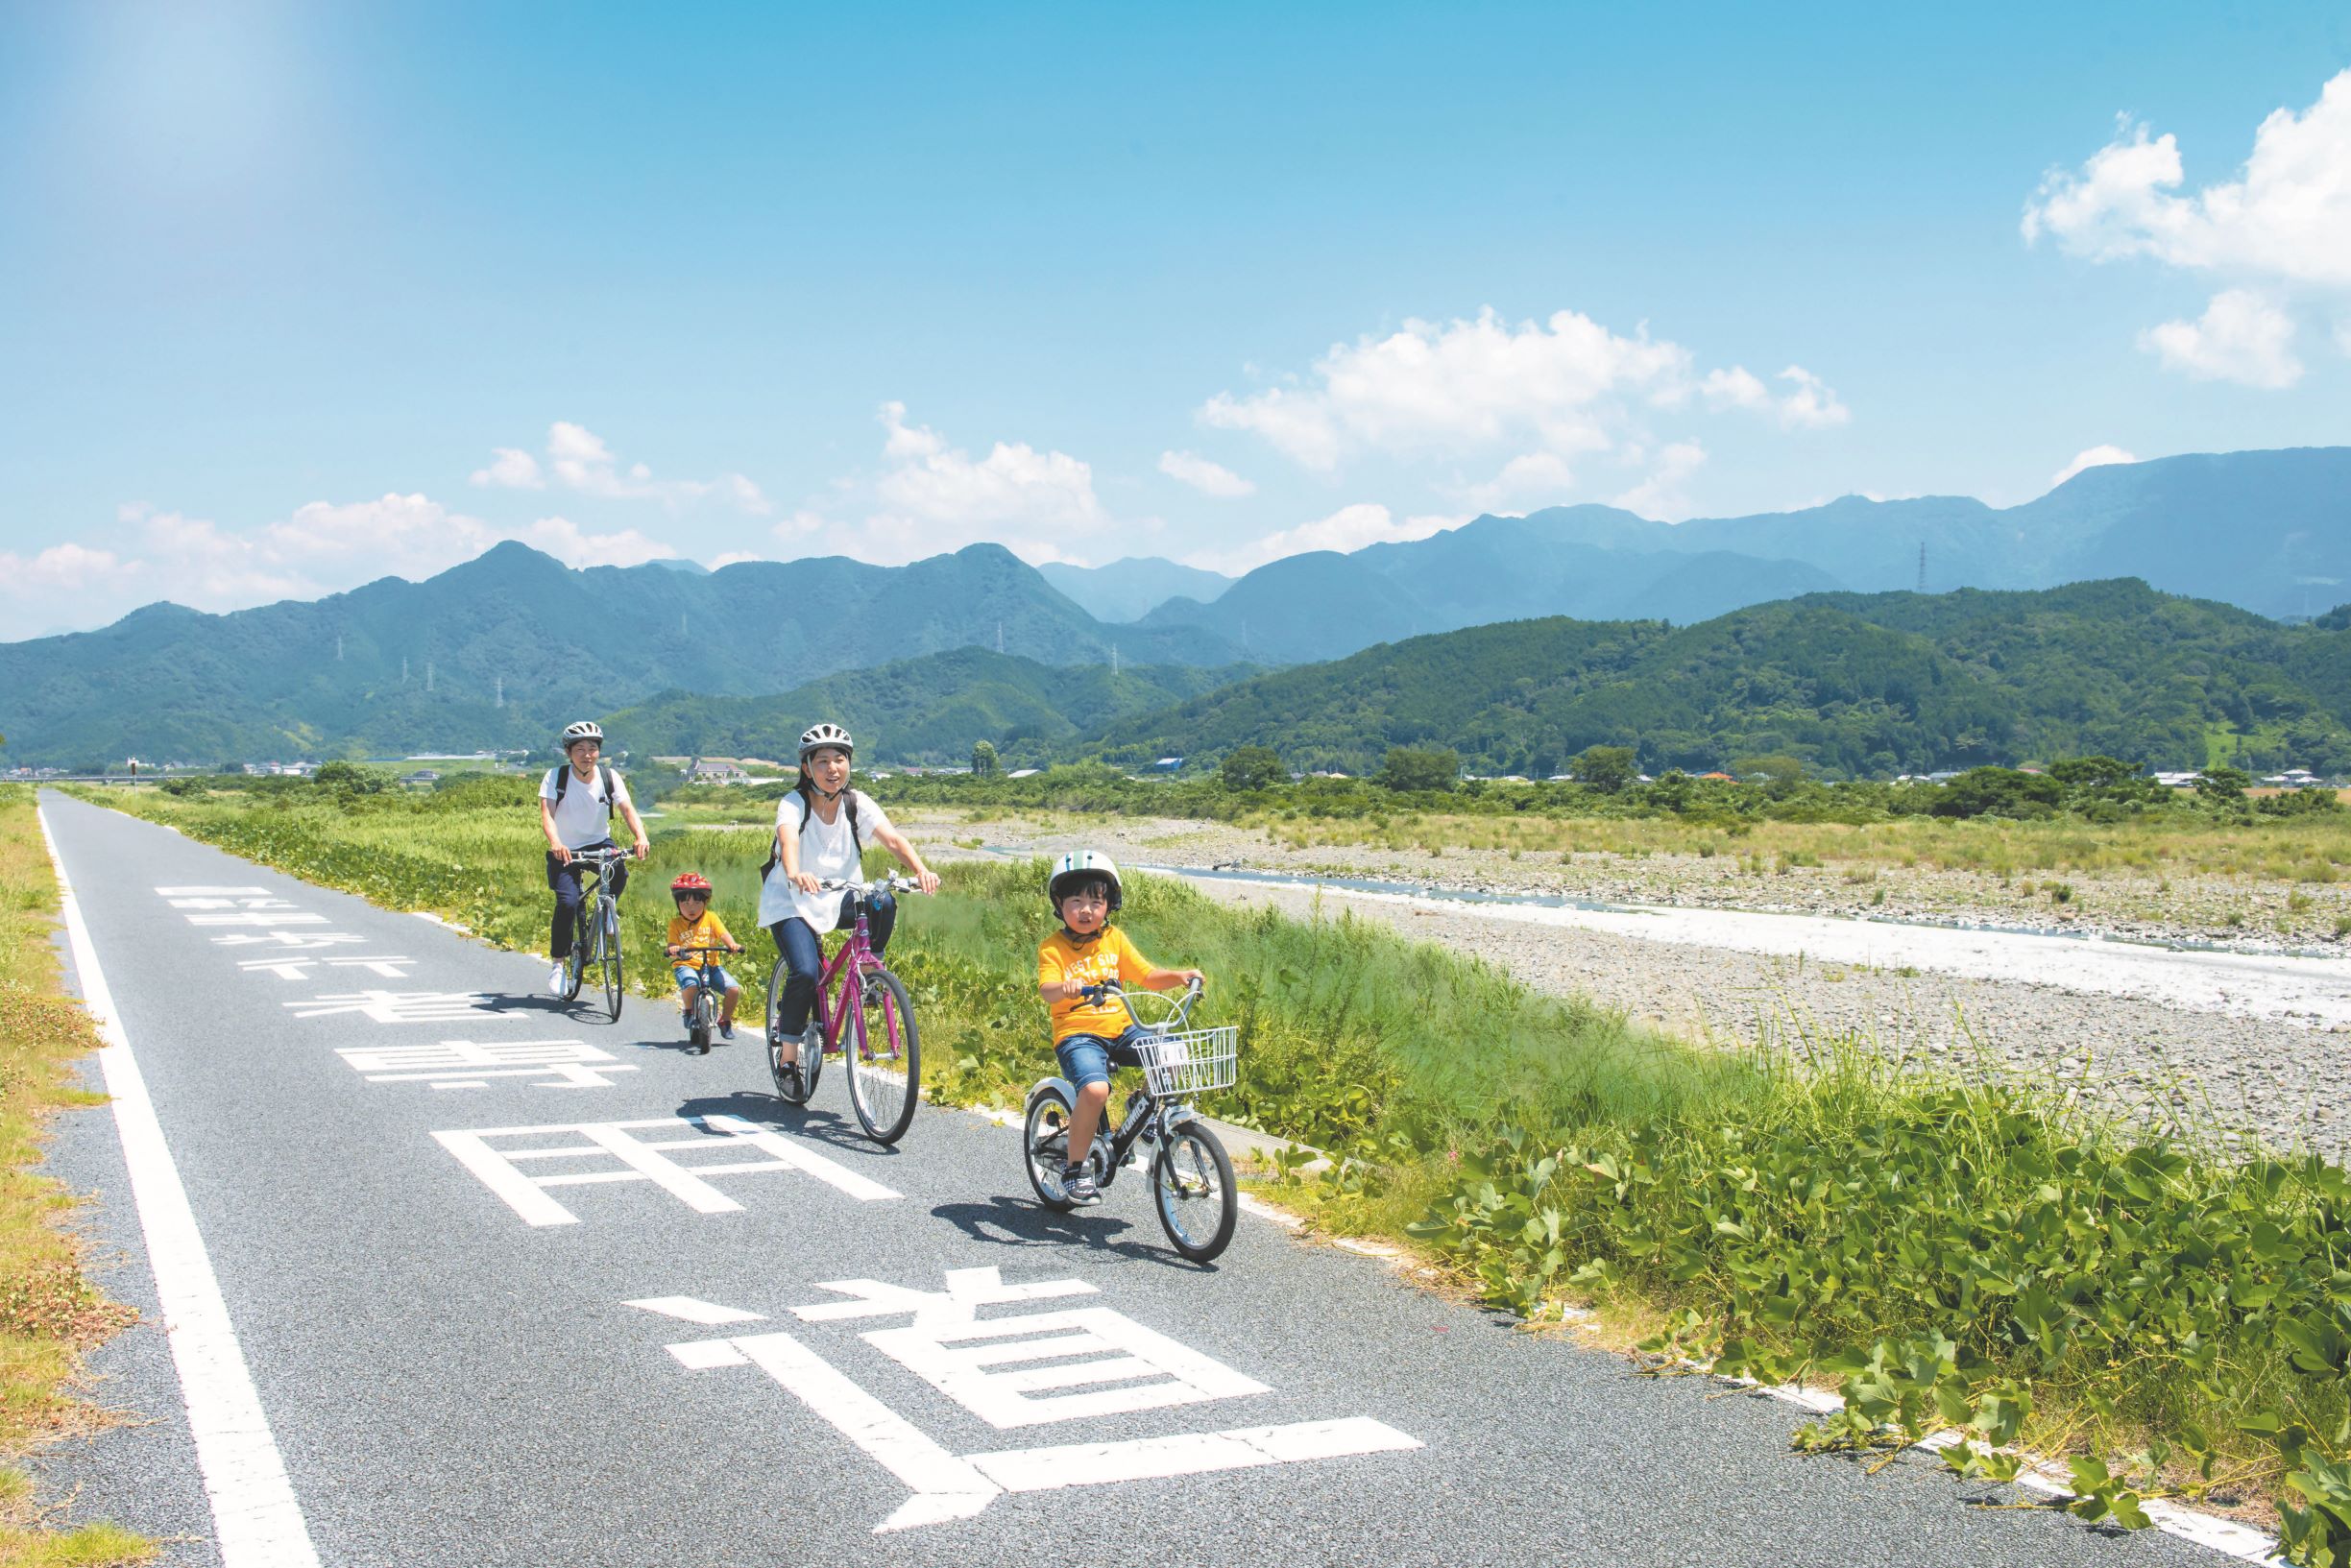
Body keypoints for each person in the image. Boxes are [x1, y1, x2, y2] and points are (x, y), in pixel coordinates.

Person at [758, 723, 938, 1091]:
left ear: (848, 764)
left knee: (882, 899)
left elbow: (891, 838)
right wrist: (794, 872)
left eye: (839, 759)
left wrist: (920, 869)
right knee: (806, 973)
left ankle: (872, 968)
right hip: (791, 899)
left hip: (840, 892)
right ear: (807, 768)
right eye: (821, 761)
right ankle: (789, 1056)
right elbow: (787, 838)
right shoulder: (793, 803)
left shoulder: (857, 802)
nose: (831, 768)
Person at [1035, 852, 1202, 1205]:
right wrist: (1063, 988)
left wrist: (1180, 976)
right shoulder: (1053, 948)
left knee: (1173, 1051)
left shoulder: (1115, 940)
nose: (1085, 910)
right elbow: (1047, 990)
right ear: (1059, 904)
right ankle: (1074, 1170)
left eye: (1095, 901)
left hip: (1122, 1029)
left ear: (1109, 905)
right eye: (1076, 901)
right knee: (1095, 1091)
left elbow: (1146, 975)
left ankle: (1142, 1109)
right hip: (1078, 1035)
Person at [540, 720, 650, 998]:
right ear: (568, 752)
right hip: (565, 849)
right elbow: (547, 815)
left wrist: (640, 836)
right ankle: (558, 964)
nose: (587, 754)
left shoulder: (609, 777)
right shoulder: (556, 777)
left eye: (592, 748)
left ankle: (606, 914)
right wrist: (556, 844)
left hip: (599, 842)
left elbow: (627, 809)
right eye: (580, 749)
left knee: (620, 873)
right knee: (567, 902)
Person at [664, 873, 744, 1046]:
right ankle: (688, 1010)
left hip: (712, 966)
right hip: (686, 964)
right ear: (678, 904)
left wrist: (732, 945)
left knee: (734, 989)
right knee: (691, 984)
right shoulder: (675, 923)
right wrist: (673, 949)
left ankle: (725, 1020)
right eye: (685, 903)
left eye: (697, 902)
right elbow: (671, 943)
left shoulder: (711, 918)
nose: (691, 907)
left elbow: (723, 934)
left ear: (705, 902)